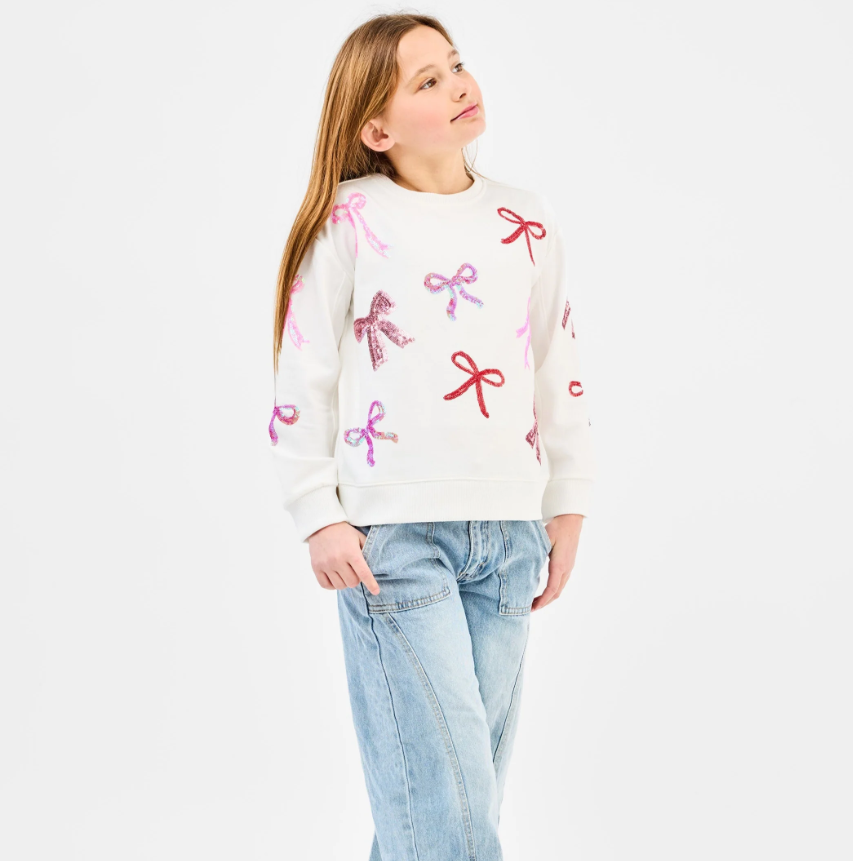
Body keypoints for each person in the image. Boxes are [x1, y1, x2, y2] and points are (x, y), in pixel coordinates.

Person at [268, 12, 597, 861]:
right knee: (446, 811)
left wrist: (566, 501)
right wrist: (317, 511)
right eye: (426, 81)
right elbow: (304, 372)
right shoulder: (350, 220)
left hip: (511, 538)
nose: (458, 85)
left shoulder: (525, 218)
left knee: (450, 799)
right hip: (394, 540)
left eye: (454, 65)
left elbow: (554, 361)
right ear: (376, 130)